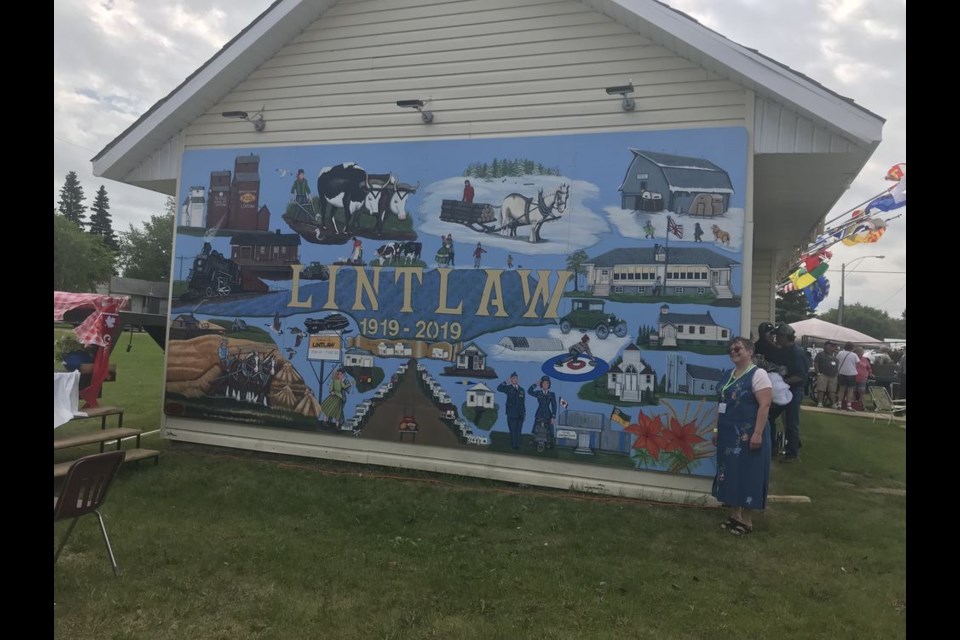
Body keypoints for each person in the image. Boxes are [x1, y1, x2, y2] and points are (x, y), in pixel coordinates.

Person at [712, 337, 773, 535]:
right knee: (729, 472)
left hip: (749, 434)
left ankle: (747, 521)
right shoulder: (728, 375)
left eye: (737, 348)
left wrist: (757, 433)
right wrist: (715, 430)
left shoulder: (758, 374)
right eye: (730, 349)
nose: (733, 351)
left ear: (749, 351)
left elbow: (765, 404)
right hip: (728, 434)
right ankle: (734, 515)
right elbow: (720, 405)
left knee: (749, 473)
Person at [767, 324, 807, 462]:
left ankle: (792, 454)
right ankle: (772, 447)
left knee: (791, 422)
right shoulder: (782, 350)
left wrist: (782, 383)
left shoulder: (797, 353)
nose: (776, 338)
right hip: (782, 390)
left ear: (784, 336)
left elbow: (801, 375)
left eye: (778, 335)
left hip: (794, 391)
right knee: (768, 416)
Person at [528, 375, 558, 452]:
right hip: (539, 412)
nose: (545, 385)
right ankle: (534, 440)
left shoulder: (552, 394)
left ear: (549, 385)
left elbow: (554, 405)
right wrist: (536, 384)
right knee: (536, 426)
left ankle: (548, 442)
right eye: (544, 383)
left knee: (549, 428)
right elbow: (529, 391)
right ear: (541, 384)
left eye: (547, 383)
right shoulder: (538, 393)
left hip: (548, 413)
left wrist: (553, 417)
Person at [497, 372, 526, 450]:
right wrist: (506, 382)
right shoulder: (508, 388)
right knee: (513, 430)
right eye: (513, 378)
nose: (515, 379)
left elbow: (523, 403)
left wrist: (524, 414)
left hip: (520, 414)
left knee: (519, 431)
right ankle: (514, 446)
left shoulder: (521, 390)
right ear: (511, 379)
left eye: (516, 378)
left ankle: (518, 445)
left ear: (518, 379)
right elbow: (498, 388)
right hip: (511, 414)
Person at [813, 341, 840, 408]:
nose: (832, 347)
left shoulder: (834, 356)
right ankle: (820, 403)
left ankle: (833, 404)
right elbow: (815, 363)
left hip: (833, 376)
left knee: (832, 390)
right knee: (821, 389)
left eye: (833, 346)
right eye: (830, 346)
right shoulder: (820, 354)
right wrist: (818, 373)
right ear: (826, 346)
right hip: (823, 374)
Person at [835, 341, 859, 411]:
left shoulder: (840, 353)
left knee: (841, 389)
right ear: (852, 348)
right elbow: (858, 363)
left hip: (841, 372)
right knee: (850, 390)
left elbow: (837, 361)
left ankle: (839, 404)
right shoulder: (854, 355)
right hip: (851, 373)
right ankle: (849, 406)